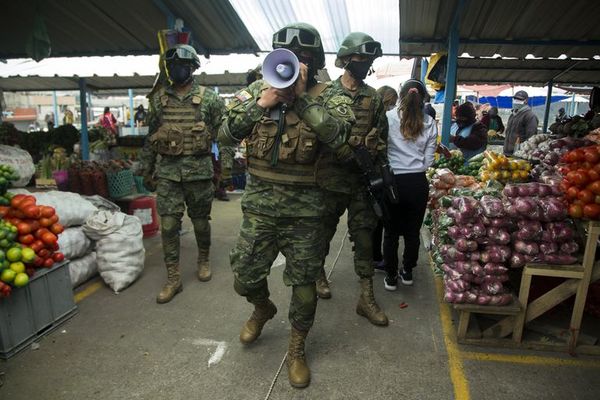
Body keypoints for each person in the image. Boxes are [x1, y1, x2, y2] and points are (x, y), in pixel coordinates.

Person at [218, 22, 354, 389]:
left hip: (307, 212)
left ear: (315, 61)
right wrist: (263, 102)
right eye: (290, 55)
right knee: (243, 275)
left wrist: (302, 99)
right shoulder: (257, 90)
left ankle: (296, 347)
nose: (297, 63)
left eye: (304, 58)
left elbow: (340, 135)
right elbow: (223, 133)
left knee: (305, 286)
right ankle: (263, 308)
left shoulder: (331, 96)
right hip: (260, 207)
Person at [140, 44, 226, 304]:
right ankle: (173, 277)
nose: (178, 70)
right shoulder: (158, 101)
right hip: (168, 173)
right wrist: (146, 168)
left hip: (199, 173)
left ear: (193, 68)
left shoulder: (209, 99)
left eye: (184, 65)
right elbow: (151, 138)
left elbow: (224, 135)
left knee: (200, 222)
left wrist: (228, 168)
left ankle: (203, 258)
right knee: (168, 225)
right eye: (174, 65)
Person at [314, 31, 389, 327]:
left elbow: (383, 138)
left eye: (368, 59)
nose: (365, 62)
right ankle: (319, 273)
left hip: (361, 183)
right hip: (330, 180)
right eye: (360, 58)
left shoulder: (373, 98)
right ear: (345, 60)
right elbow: (313, 137)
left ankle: (366, 297)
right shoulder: (325, 95)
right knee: (323, 233)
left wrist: (377, 164)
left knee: (365, 238)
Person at [383, 79, 437, 290]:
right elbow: (429, 161)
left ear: (400, 95)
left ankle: (390, 277)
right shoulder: (430, 122)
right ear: (423, 97)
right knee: (412, 232)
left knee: (391, 233)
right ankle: (407, 272)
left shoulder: (388, 118)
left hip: (393, 182)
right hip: (417, 183)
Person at [372, 86, 398, 270]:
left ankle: (373, 255)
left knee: (376, 216)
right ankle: (375, 256)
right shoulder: (384, 118)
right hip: (379, 172)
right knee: (379, 217)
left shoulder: (372, 115)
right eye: (392, 103)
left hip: (373, 172)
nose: (393, 107)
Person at [503, 90, 538, 156]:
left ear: (526, 101)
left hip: (518, 154)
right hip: (507, 152)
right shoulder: (513, 114)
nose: (516, 101)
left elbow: (531, 137)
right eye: (515, 99)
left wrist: (523, 152)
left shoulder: (530, 116)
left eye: (519, 99)